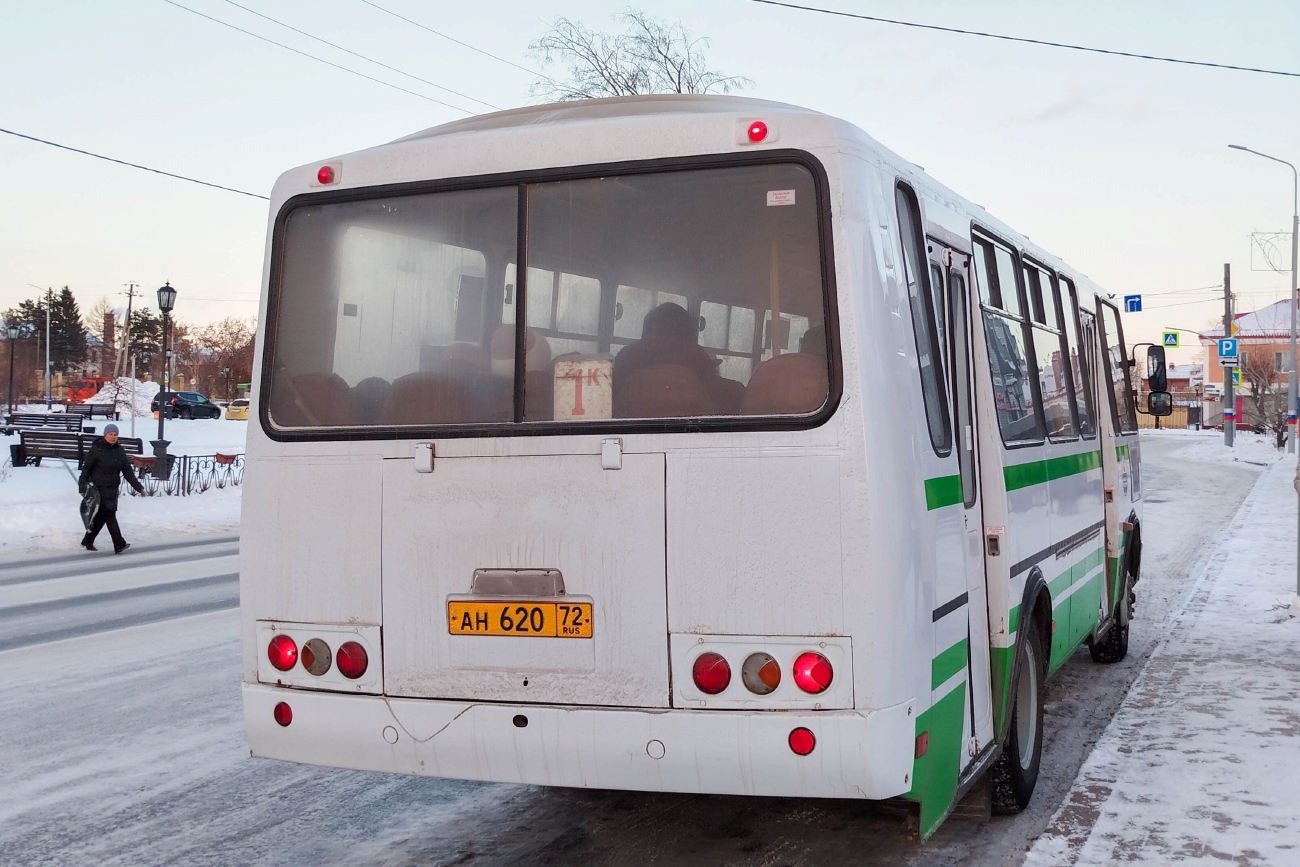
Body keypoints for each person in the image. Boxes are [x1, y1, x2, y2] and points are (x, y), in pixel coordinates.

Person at [78, 423, 145, 553]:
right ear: (105, 435)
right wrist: (82, 486)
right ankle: (119, 543)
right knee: (109, 514)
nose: (113, 437)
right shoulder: (97, 449)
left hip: (112, 489)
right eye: (110, 434)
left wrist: (139, 487)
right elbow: (86, 469)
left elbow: (127, 471)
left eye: (115, 435)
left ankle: (88, 540)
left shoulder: (119, 451)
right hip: (98, 489)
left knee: (102, 517)